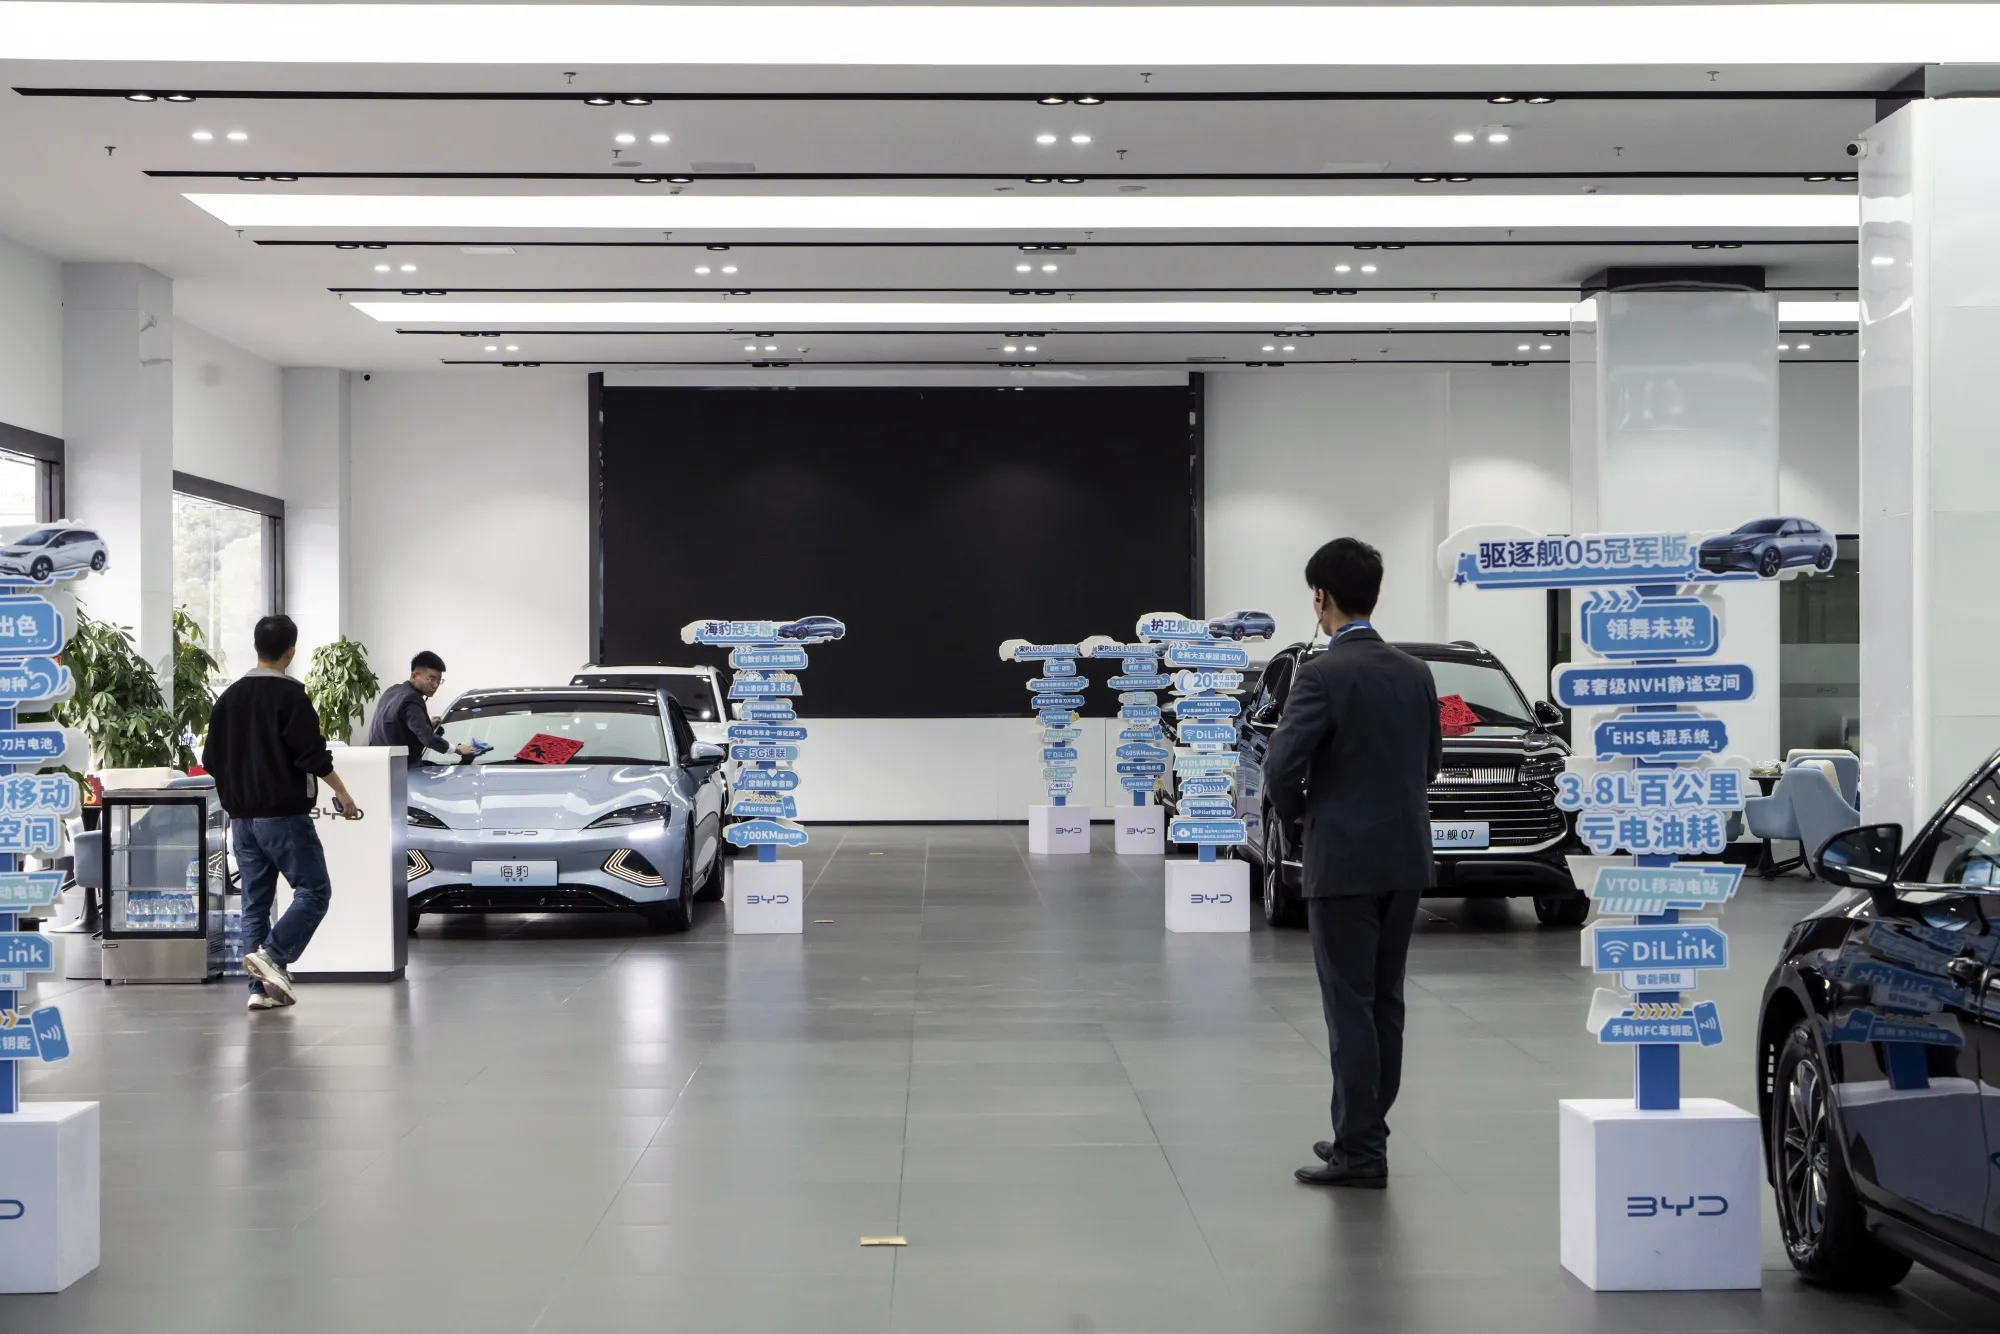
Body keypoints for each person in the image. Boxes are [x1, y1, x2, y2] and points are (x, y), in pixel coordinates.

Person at [1262, 537, 1443, 1188]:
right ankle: (1361, 1133)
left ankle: (1361, 1152)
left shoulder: (1321, 675)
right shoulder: (1415, 672)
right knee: (1384, 1004)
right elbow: (1429, 766)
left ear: (1321, 597)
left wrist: (1300, 815)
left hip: (1343, 863)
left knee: (1348, 1008)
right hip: (1404, 859)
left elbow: (1281, 769)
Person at [201, 615, 362, 1012]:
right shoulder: (292, 697)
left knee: (256, 900)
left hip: (240, 819)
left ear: (257, 648)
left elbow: (209, 758)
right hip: (283, 816)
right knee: (314, 891)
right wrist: (342, 793)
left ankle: (259, 991)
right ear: (291, 651)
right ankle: (272, 956)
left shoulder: (229, 697)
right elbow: (312, 755)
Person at [367, 650, 476, 765]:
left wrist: (425, 722)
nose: (435, 685)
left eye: (439, 680)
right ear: (414, 676)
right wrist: (457, 749)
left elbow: (396, 722)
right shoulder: (411, 698)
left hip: (379, 763)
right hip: (403, 769)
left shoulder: (393, 690)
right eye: (431, 679)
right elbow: (427, 738)